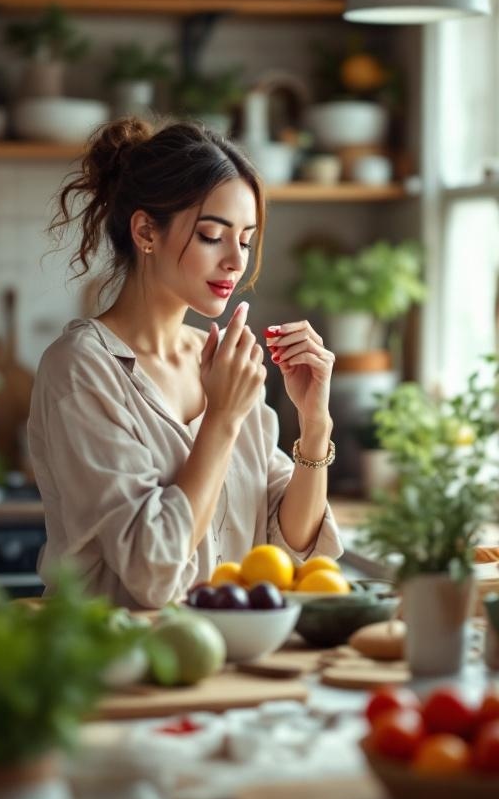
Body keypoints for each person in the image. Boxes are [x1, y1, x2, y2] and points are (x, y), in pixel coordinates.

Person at [28, 118, 342, 608]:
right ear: (146, 230)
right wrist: (220, 418)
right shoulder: (81, 369)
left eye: (245, 239)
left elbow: (289, 548)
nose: (236, 262)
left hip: (226, 663)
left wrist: (315, 421)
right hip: (118, 664)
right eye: (212, 236)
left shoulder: (222, 361)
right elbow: (151, 571)